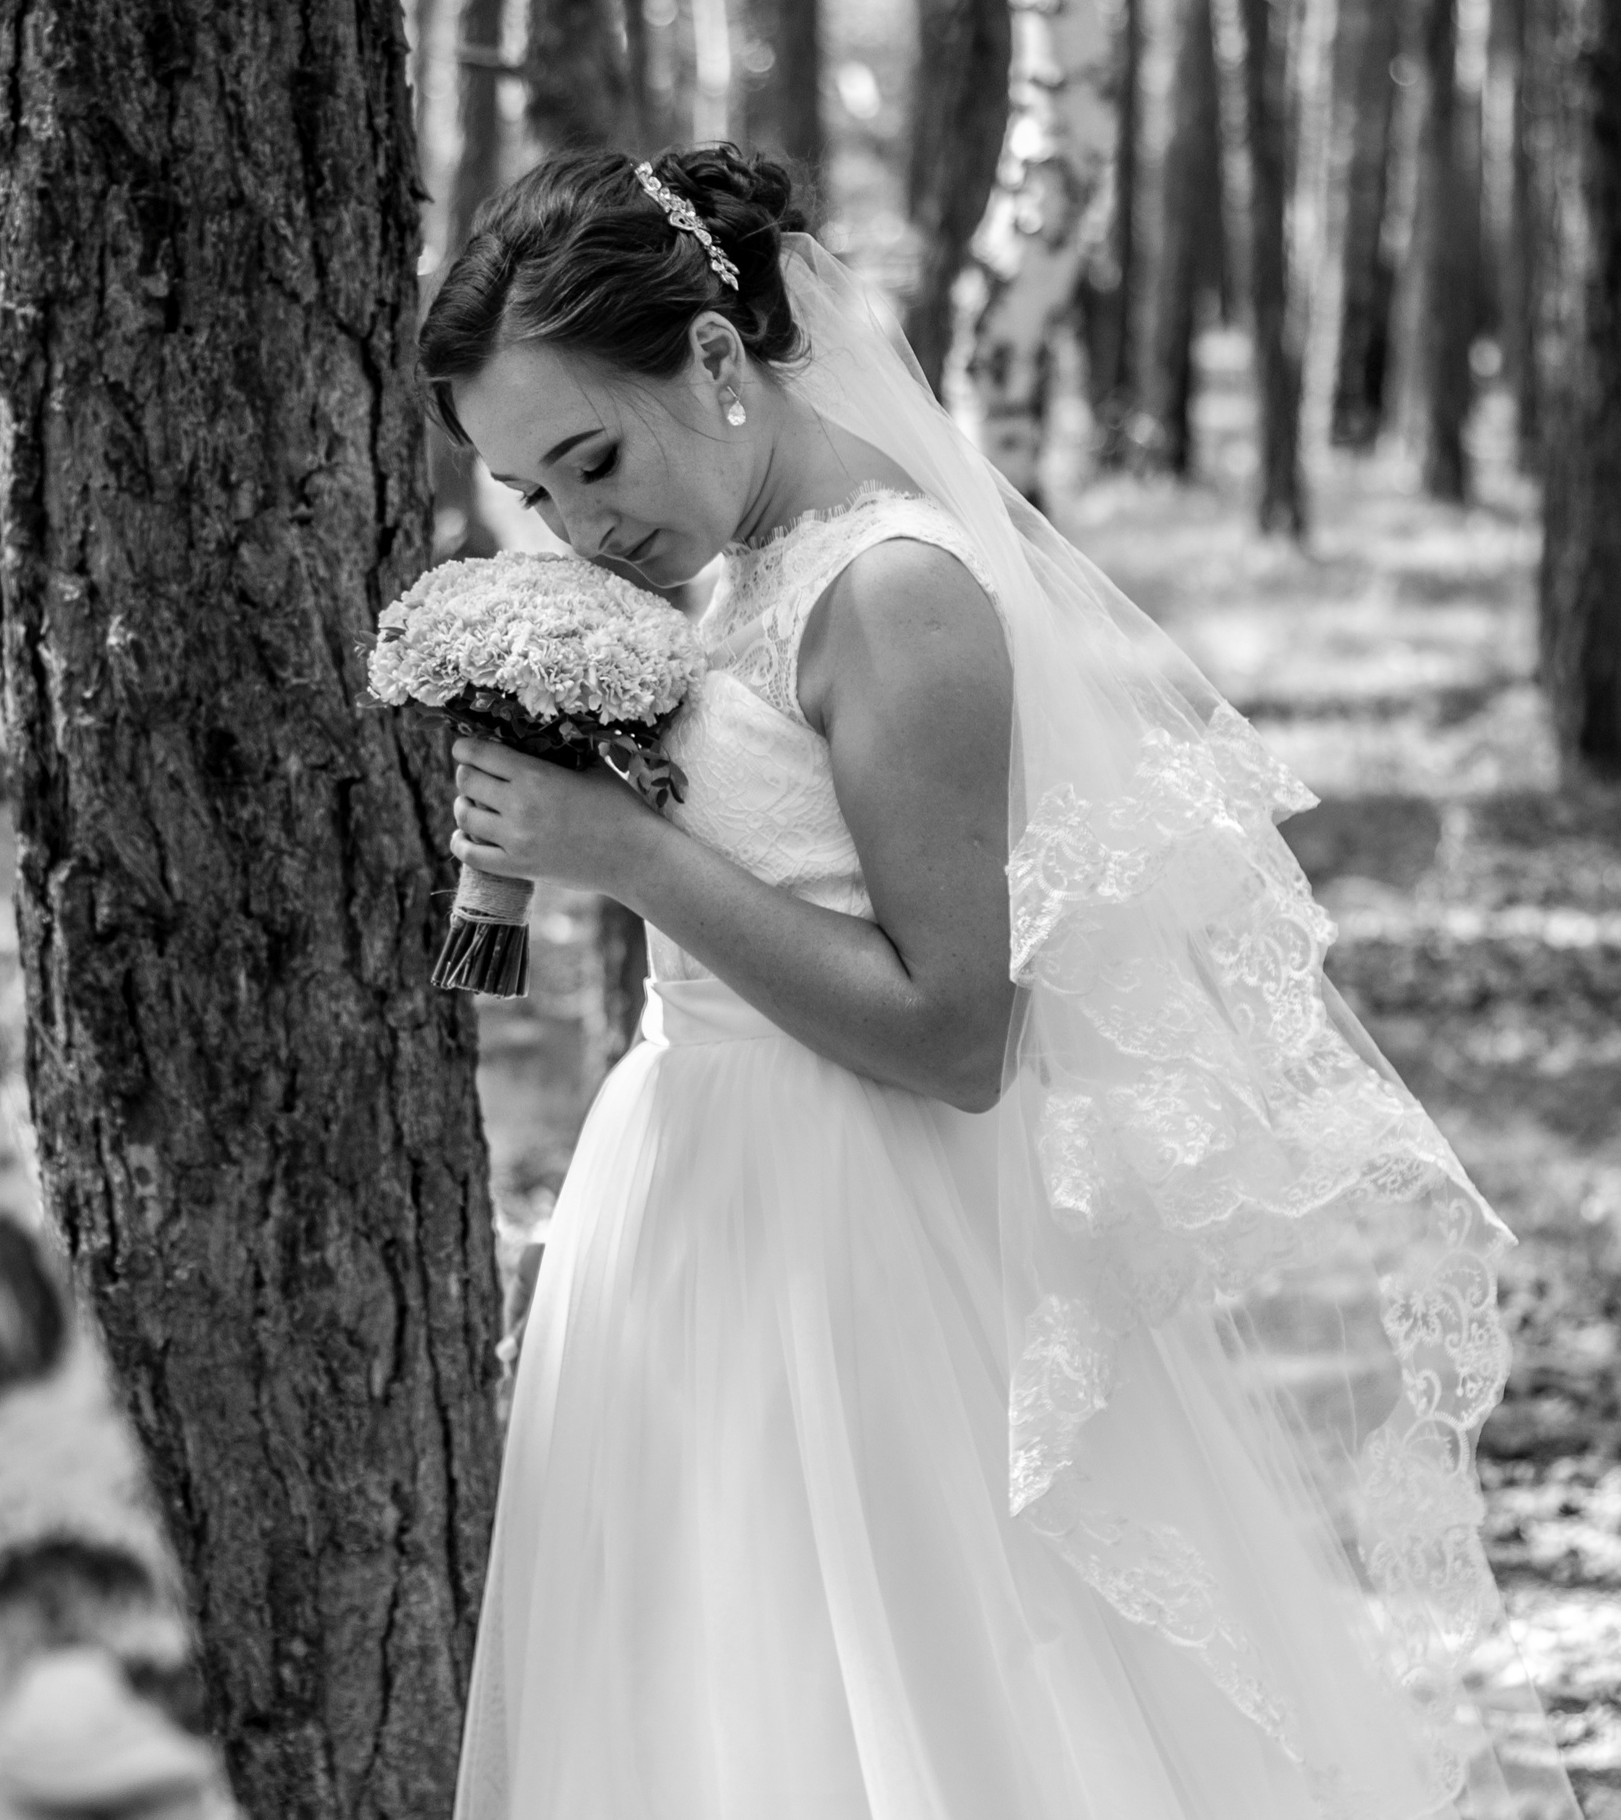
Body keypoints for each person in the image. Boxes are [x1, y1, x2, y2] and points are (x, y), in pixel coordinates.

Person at [423, 145, 1578, 1820]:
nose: (583, 528)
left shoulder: (890, 596)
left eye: (591, 459)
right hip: (688, 1209)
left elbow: (961, 1033)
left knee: (923, 1702)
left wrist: (633, 858)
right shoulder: (726, 580)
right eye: (538, 496)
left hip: (864, 1237)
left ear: (721, 358)